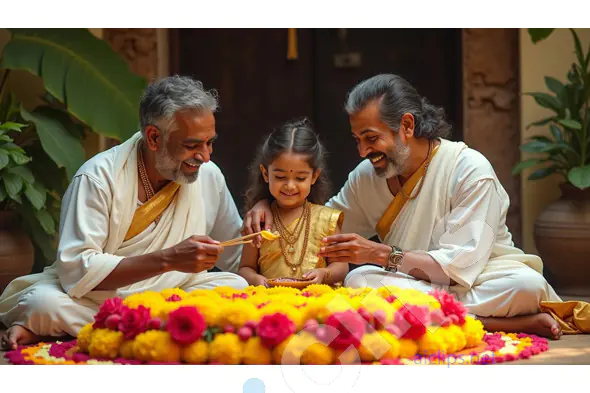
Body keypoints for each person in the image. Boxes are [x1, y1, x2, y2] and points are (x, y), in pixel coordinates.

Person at [242, 74, 564, 339]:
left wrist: (378, 254)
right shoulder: (367, 177)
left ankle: (442, 317)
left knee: (526, 286)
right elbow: (319, 224)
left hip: (480, 279)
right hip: (415, 287)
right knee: (359, 281)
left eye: (371, 138)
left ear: (407, 126)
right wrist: (267, 203)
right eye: (357, 140)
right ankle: (498, 323)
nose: (363, 151)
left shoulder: (469, 170)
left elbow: (459, 270)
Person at [0, 76, 248, 350]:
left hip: (175, 294)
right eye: (192, 146)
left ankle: (108, 329)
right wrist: (168, 259)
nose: (205, 156)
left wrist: (264, 212)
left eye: (209, 143)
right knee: (43, 304)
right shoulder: (98, 178)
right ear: (154, 137)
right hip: (102, 300)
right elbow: (76, 271)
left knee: (235, 288)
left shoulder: (208, 176)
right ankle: (169, 329)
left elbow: (236, 253)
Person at [238, 119, 348, 287]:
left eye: (300, 178)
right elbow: (246, 267)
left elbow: (341, 265)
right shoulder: (258, 222)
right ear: (265, 174)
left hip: (318, 301)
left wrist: (324, 274)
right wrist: (256, 280)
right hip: (270, 300)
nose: (290, 185)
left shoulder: (327, 219)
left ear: (314, 176)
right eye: (280, 177)